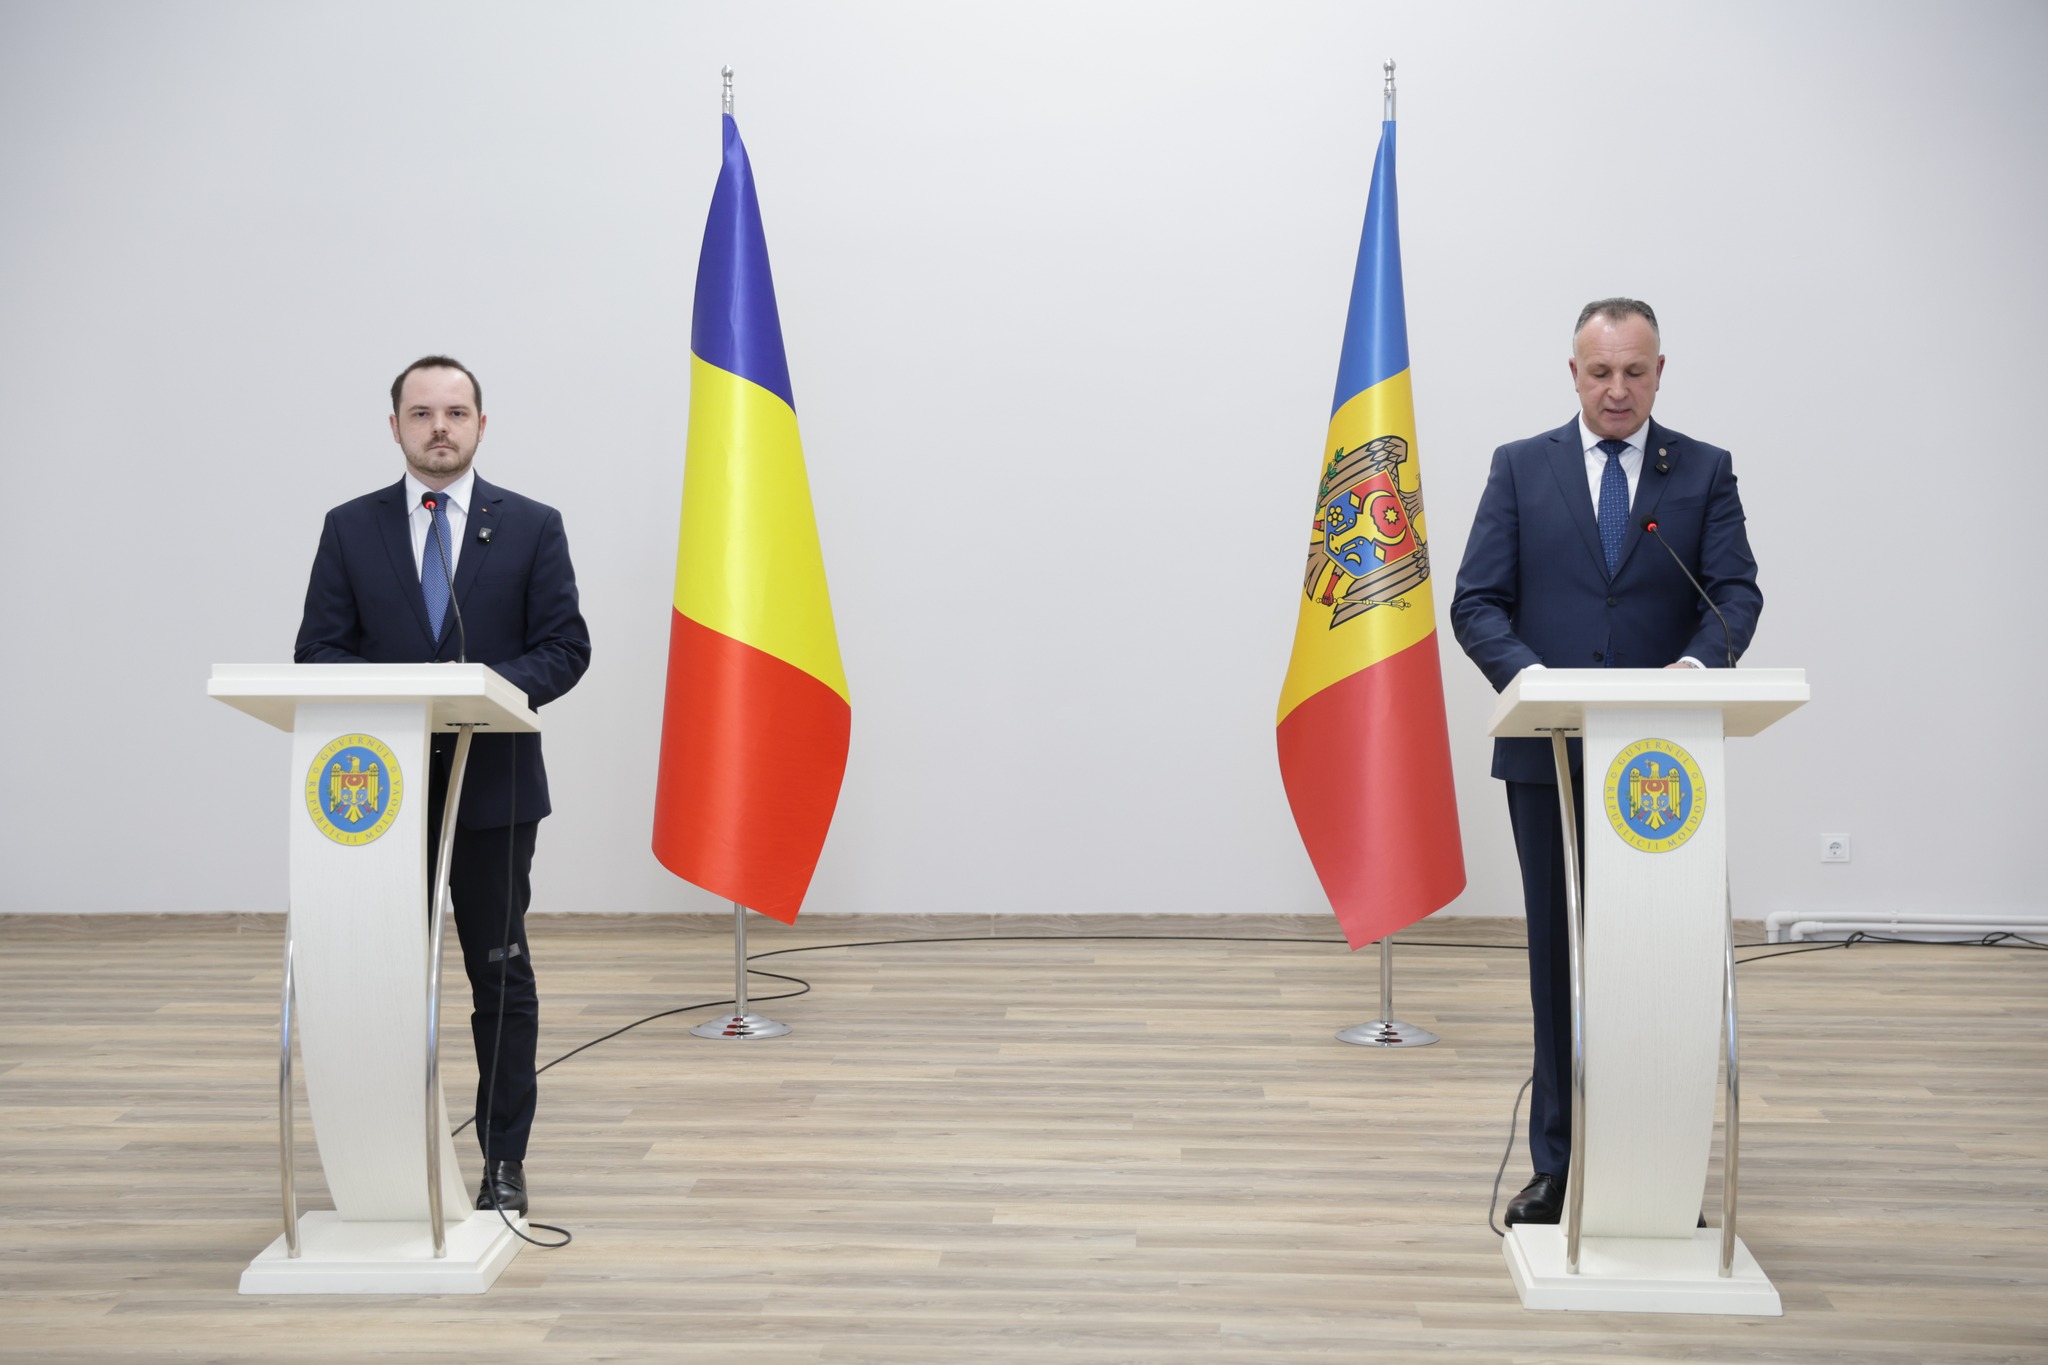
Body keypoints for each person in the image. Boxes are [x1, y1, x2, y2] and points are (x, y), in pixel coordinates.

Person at [1449, 300, 1762, 1225]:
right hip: (1546, 750)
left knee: (1656, 964)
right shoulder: (1521, 467)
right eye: (1600, 372)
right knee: (1563, 961)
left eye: (1634, 371)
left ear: (1660, 371)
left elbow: (1735, 592)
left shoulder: (1703, 470)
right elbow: (1476, 601)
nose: (1617, 390)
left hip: (1661, 764)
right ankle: (1559, 1165)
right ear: (1574, 373)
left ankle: (1655, 1171)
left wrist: (1696, 668)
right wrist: (1533, 677)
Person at [295, 356, 592, 1216]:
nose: (439, 427)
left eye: (455, 412)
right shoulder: (350, 527)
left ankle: (503, 1159)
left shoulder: (531, 525)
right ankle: (392, 1154)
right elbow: (317, 650)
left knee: (499, 975)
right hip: (376, 799)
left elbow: (565, 647)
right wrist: (405, 695)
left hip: (493, 791)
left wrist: (478, 689)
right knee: (382, 978)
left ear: (480, 426)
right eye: (421, 412)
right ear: (394, 426)